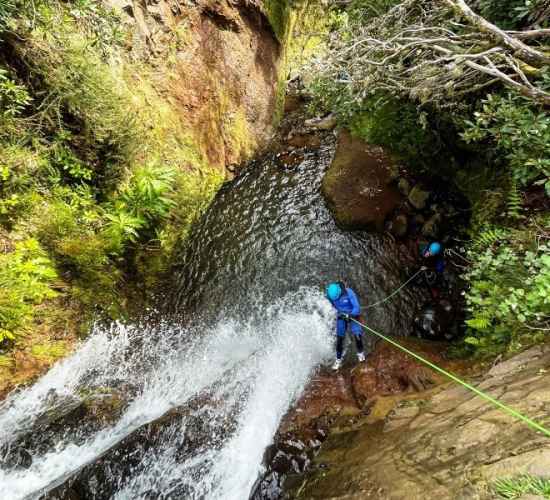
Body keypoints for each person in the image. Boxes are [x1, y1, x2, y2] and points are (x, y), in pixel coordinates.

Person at [325, 282, 366, 371]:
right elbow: (332, 304)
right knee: (340, 338)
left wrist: (351, 315)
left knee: (357, 335)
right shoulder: (329, 295)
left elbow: (357, 307)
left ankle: (361, 354)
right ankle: (338, 359)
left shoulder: (349, 292)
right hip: (341, 315)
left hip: (352, 314)